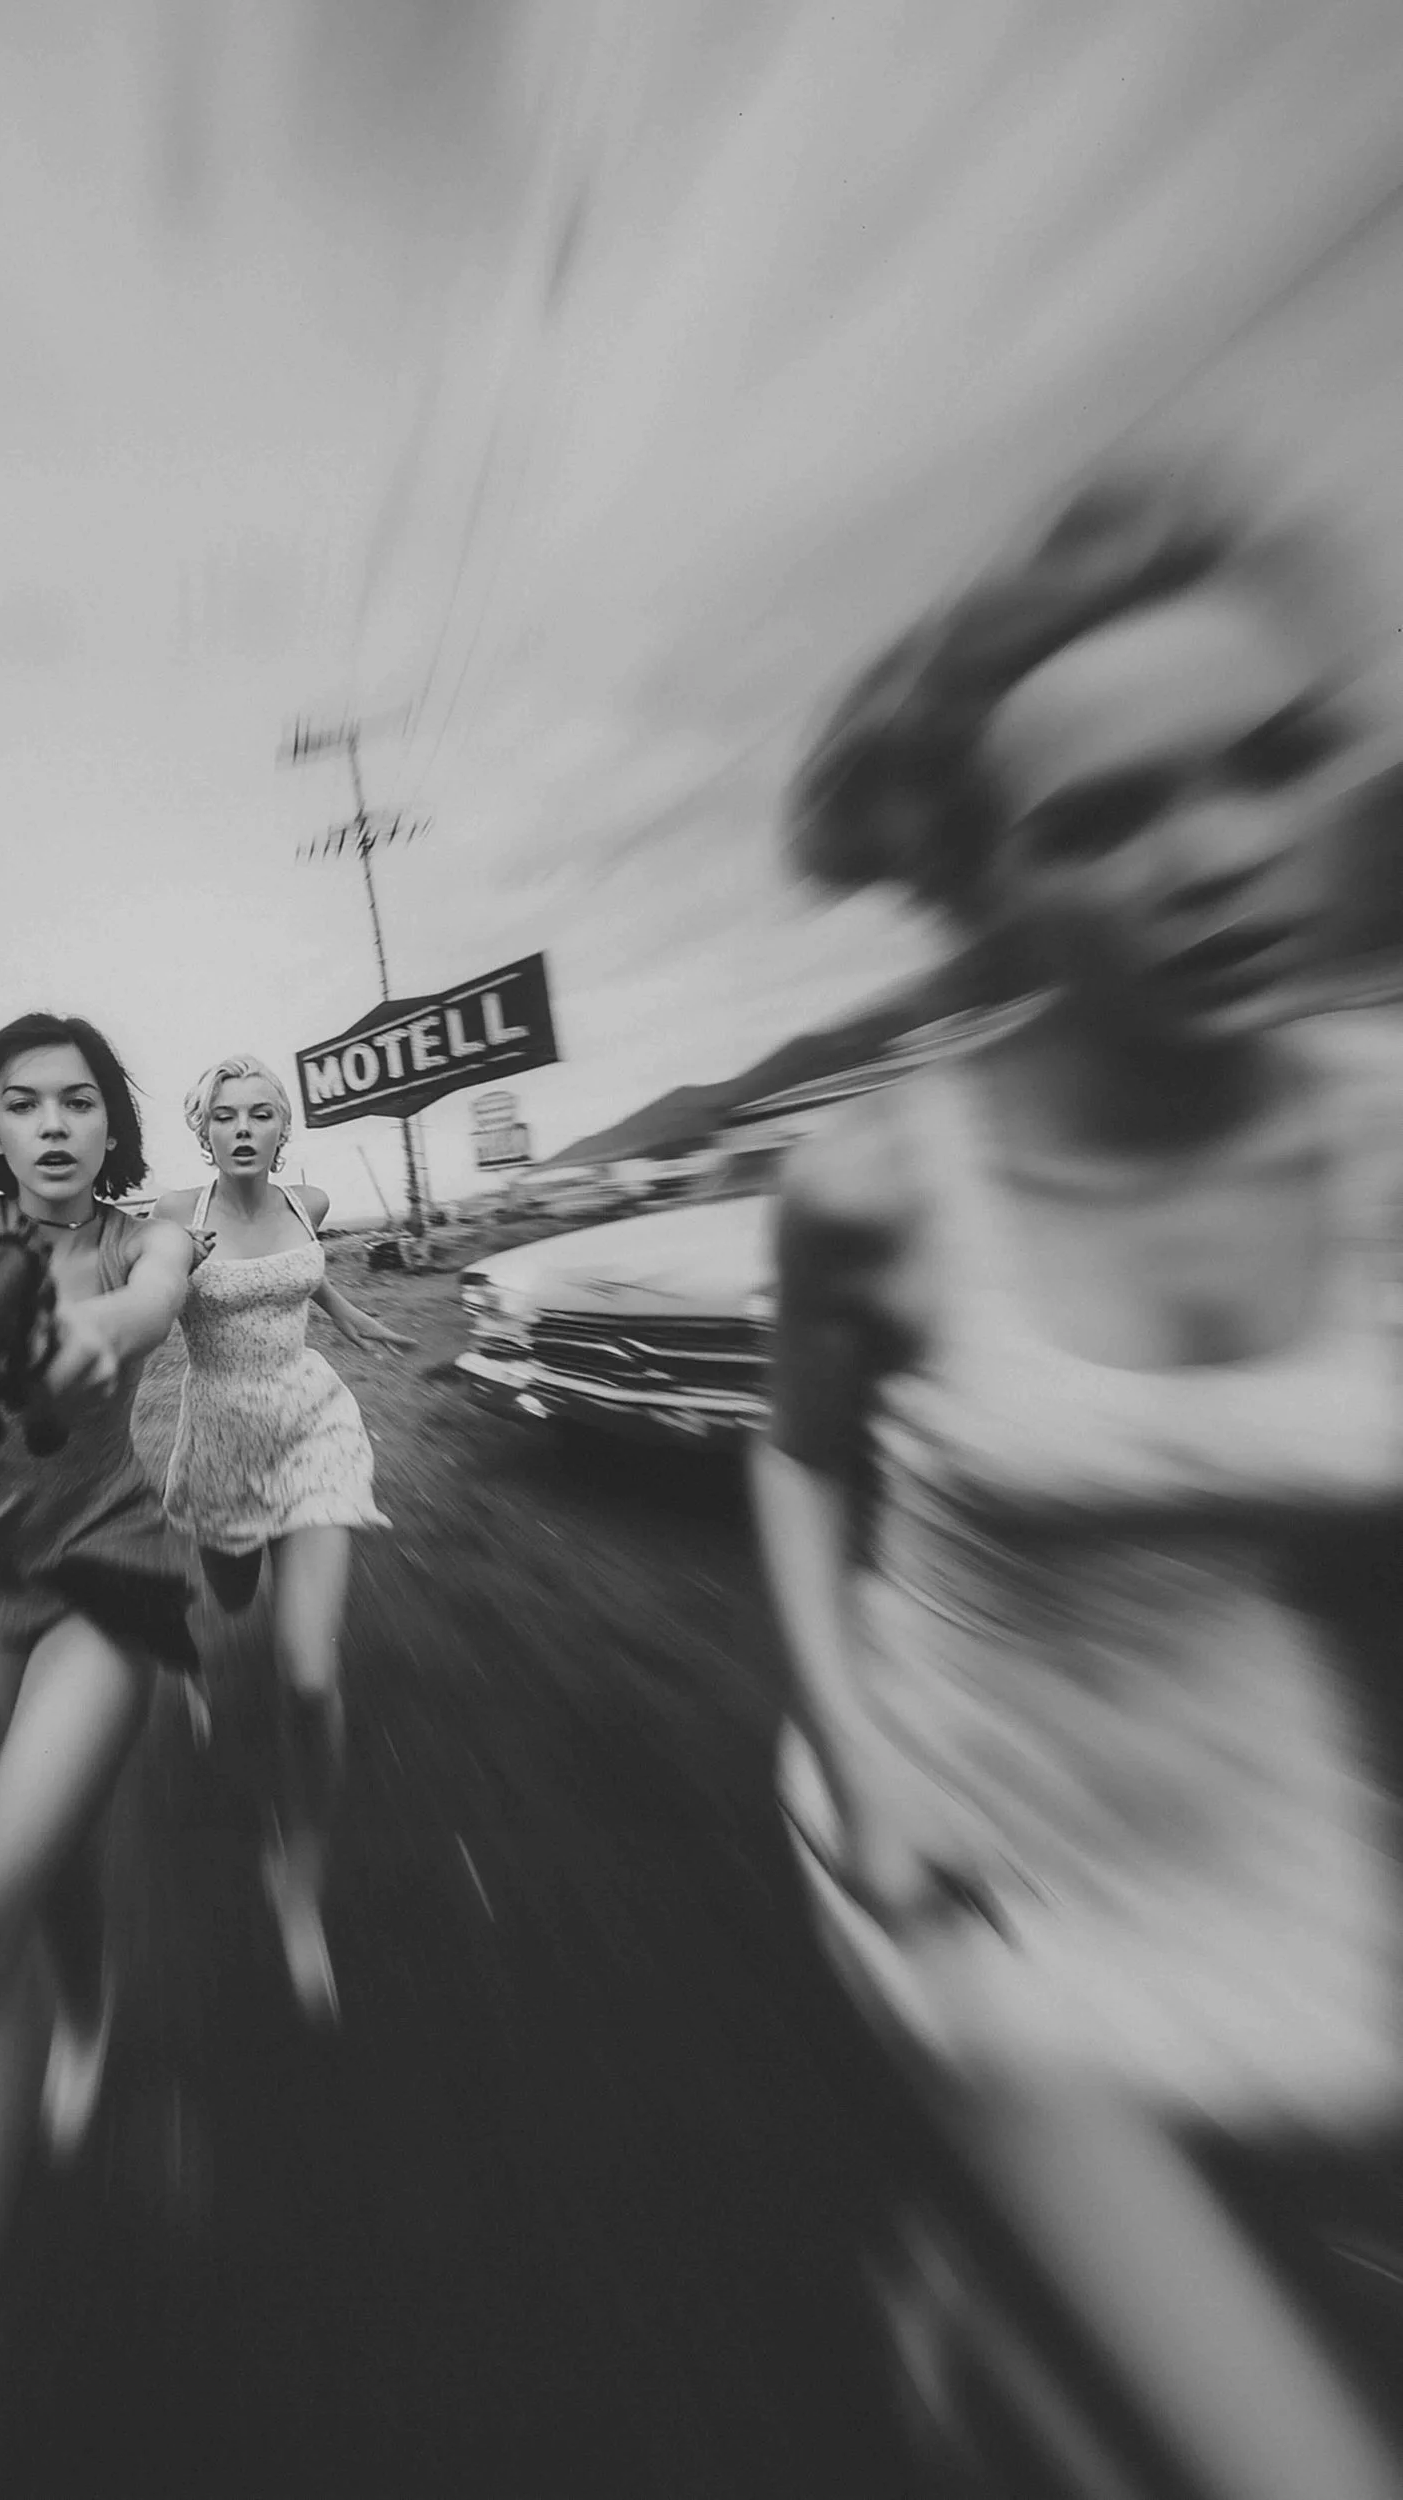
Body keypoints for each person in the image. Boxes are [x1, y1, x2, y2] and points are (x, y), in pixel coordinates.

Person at [756, 469, 1403, 2500]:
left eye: (1271, 764)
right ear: (985, 887)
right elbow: (797, 1459)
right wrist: (850, 1741)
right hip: (976, 1841)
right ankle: (1004, 2314)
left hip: (1277, 1811)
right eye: (1098, 818)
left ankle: (1000, 2361)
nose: (1214, 857)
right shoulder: (866, 1183)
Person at [0, 1012, 197, 2500]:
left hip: (117, 1576)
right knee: (53, 1842)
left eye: (80, 1101)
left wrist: (102, 1334)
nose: (56, 1124)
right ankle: (89, 2007)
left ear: (110, 1122)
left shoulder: (154, 1234)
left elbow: (146, 1308)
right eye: (26, 1103)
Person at [152, 1056, 412, 2025]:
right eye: (228, 1115)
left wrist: (346, 1312)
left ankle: (294, 1876)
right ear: (205, 1131)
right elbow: (145, 1299)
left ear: (283, 1127)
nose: (246, 1126)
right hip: (220, 1441)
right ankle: (190, 1651)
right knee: (226, 1598)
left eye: (263, 1112)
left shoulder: (311, 1196)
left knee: (307, 1674)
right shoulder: (174, 1218)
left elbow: (308, 1274)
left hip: (314, 1425)